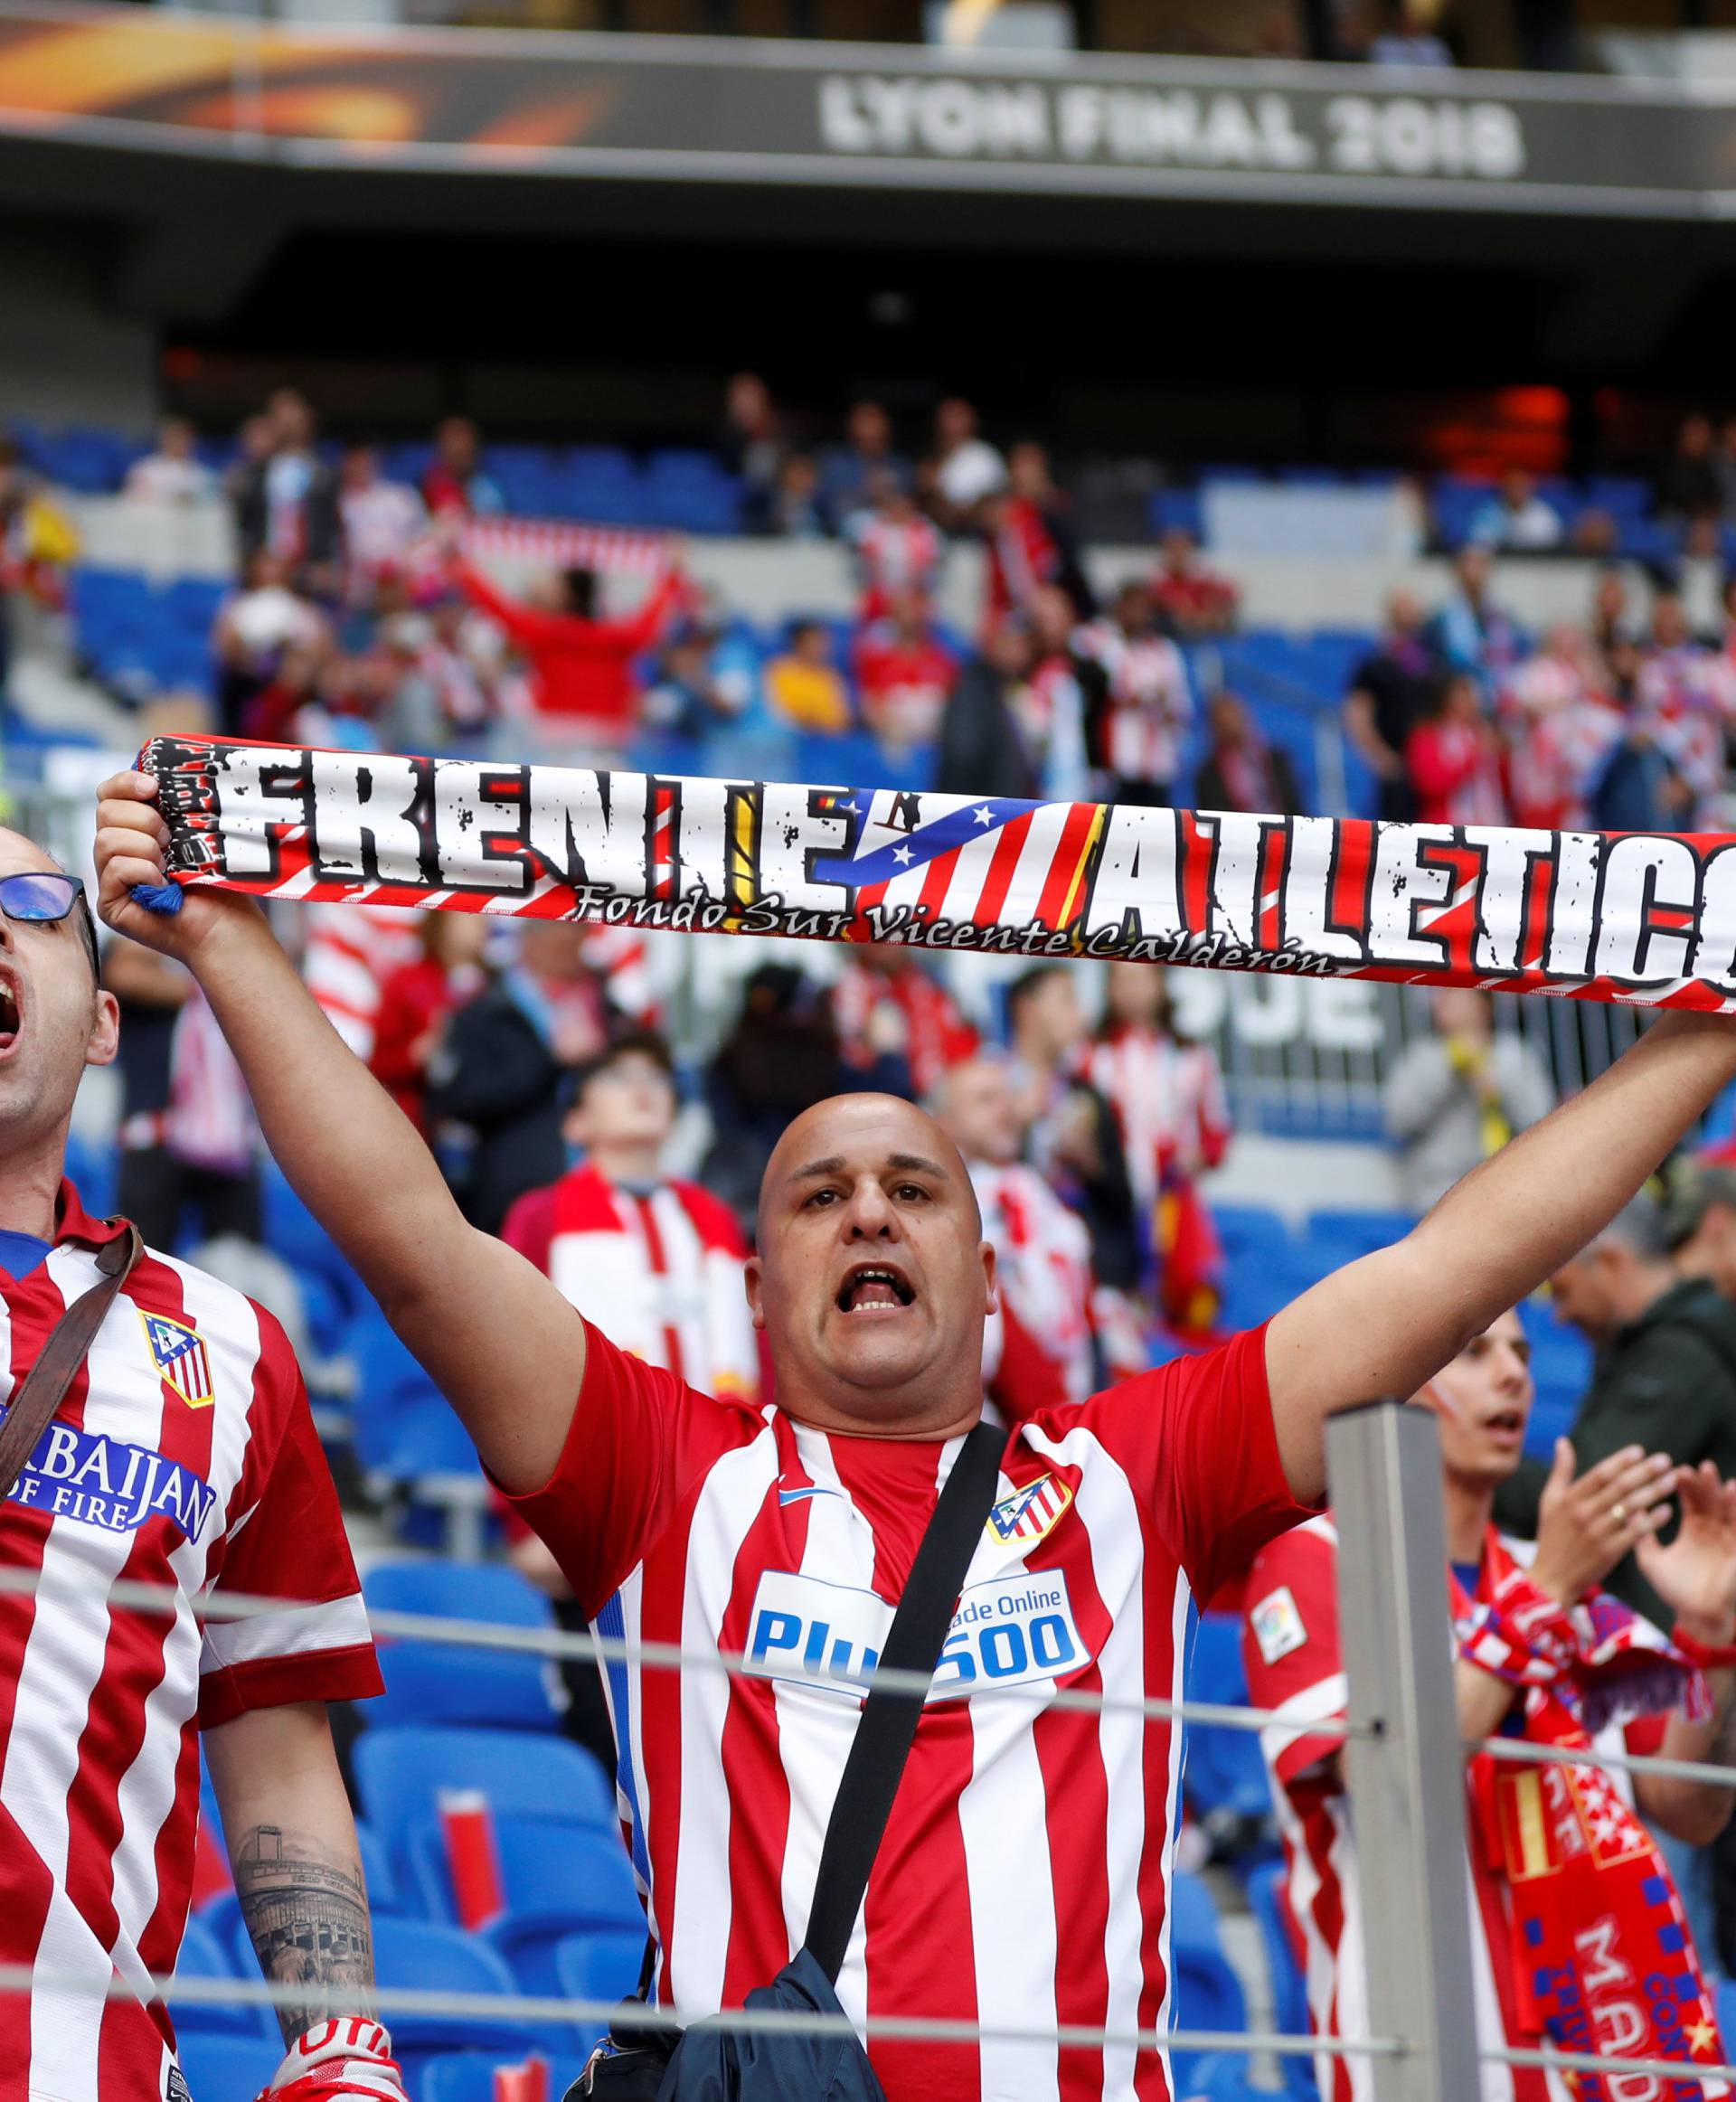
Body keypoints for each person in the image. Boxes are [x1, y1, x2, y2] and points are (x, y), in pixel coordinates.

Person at [96, 767, 1736, 2102]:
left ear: (993, 1274)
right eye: (820, 1193)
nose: (869, 1207)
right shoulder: (667, 1474)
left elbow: (1459, 1261)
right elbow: (412, 1240)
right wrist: (235, 953)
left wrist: (1713, 1025)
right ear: (756, 1284)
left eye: (912, 1188)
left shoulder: (1138, 1473)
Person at [0, 830, 395, 2098]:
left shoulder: (226, 1350)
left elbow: (276, 1742)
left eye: (35, 904)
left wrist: (338, 2042)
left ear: (106, 1024)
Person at [1244, 1307, 1736, 2102]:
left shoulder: (1559, 1580)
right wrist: (1542, 1598)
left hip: (1601, 2063)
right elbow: (1386, 1782)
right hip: (1417, 2061)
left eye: (1521, 1353)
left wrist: (1713, 1640)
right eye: (1473, 1351)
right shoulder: (1316, 1562)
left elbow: (1691, 1806)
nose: (1513, 1373)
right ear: (1391, 1379)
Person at [1495, 1193, 1736, 1627]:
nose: (1560, 1316)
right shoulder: (1660, 1348)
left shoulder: (1681, 1357)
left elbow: (1585, 1503)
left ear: (1609, 1263)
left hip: (1681, 1638)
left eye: (1563, 1291)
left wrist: (1455, 1458)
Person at [503, 1031, 760, 1403]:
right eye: (618, 1076)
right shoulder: (542, 1215)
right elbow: (514, 1342)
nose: (642, 1086)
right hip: (596, 1441)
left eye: (657, 1077)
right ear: (575, 1122)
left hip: (720, 1447)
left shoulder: (714, 1216)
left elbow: (746, 1342)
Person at [424, 919, 617, 1235]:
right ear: (529, 941)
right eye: (557, 941)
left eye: (576, 940)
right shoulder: (484, 1011)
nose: (568, 952)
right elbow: (457, 1098)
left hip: (601, 1196)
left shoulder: (607, 1008)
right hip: (512, 1196)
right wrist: (549, 1060)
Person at [929, 1054, 1100, 1407]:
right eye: (984, 1099)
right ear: (945, 1123)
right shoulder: (936, 1208)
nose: (1004, 1109)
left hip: (1072, 1410)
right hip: (992, 1429)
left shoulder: (1035, 1193)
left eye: (1006, 1096)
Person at [1087, 961, 1231, 1330]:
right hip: (1112, 1205)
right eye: (1117, 979)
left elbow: (1216, 1133)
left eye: (1137, 977)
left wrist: (1195, 1159)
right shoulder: (1091, 1055)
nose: (1127, 988)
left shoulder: (1193, 1056)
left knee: (1186, 1304)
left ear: (1161, 984)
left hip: (1174, 1203)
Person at [448, 539, 686, 748]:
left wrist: (458, 562)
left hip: (559, 741)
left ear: (567, 593)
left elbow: (494, 604)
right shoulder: (618, 637)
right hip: (603, 742)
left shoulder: (546, 633)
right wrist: (671, 574)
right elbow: (655, 614)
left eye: (555, 584)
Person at [1005, 964, 1141, 1300]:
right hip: (1012, 1275)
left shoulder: (1089, 1096)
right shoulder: (988, 1089)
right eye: (1066, 1000)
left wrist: (1091, 1163)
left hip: (1088, 1279)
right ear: (1027, 1009)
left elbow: (1124, 1200)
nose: (1079, 1014)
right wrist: (1016, 1123)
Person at [1383, 988, 1556, 1214]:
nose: (1440, 1000)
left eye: (1453, 993)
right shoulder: (1421, 1056)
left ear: (1484, 1004)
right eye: (1440, 993)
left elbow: (1543, 1124)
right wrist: (1450, 1069)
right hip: (1436, 1195)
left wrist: (1498, 1090)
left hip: (1508, 1189)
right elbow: (1398, 1122)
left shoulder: (1515, 1054)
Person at [367, 910, 487, 1137]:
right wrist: (414, 1054)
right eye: (469, 915)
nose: (481, 924)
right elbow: (378, 1061)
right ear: (443, 922)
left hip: (478, 1126)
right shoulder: (409, 981)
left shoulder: (491, 986)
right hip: (416, 1125)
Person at [1074, 580, 1194, 806]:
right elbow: (1118, 686)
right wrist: (1147, 695)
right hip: (1119, 762)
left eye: (1143, 608)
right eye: (1131, 606)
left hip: (1157, 765)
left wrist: (1156, 700)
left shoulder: (1164, 651)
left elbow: (1180, 704)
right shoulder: (1106, 641)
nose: (1137, 614)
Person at [232, 389, 342, 595]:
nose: (288, 422)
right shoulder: (253, 477)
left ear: (307, 419)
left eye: (293, 414)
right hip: (266, 574)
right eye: (280, 415)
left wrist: (325, 565)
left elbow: (333, 526)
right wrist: (254, 563)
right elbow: (244, 527)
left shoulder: (324, 475)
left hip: (311, 574)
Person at [1343, 589, 1436, 821]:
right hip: (1394, 763)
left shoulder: (1430, 662)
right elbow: (1358, 714)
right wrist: (1380, 756)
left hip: (1425, 765)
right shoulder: (1375, 664)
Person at [933, 619, 1039, 802]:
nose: (1019, 653)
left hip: (1006, 807)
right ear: (993, 644)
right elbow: (963, 754)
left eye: (1024, 645)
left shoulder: (1011, 689)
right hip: (980, 810)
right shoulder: (973, 687)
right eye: (1011, 643)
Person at [1404, 671, 1505, 826]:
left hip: (1486, 823)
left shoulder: (1480, 732)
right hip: (1445, 826)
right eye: (1465, 693)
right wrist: (1473, 758)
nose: (1473, 699)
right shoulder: (1427, 735)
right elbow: (1432, 785)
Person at [844, 471, 946, 625]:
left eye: (903, 503)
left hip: (914, 594)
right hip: (879, 594)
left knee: (927, 618)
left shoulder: (925, 529)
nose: (898, 508)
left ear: (911, 504)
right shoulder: (871, 527)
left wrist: (910, 593)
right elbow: (862, 567)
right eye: (894, 502)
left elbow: (932, 570)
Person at [1194, 692, 1305, 816]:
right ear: (1214, 728)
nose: (1231, 727)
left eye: (1234, 718)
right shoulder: (1208, 774)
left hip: (1282, 828)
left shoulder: (1276, 760)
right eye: (1223, 722)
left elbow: (1294, 804)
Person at [1146, 527, 1239, 639]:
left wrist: (1211, 612)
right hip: (1175, 632)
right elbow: (1169, 607)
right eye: (1173, 548)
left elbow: (1228, 596)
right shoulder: (1156, 577)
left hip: (1206, 626)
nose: (1178, 553)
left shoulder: (1203, 574)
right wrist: (1191, 616)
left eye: (1182, 548)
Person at [763, 618, 853, 734]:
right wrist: (808, 720)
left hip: (829, 738)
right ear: (799, 643)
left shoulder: (830, 676)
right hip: (793, 738)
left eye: (823, 642)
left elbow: (842, 717)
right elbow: (775, 713)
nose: (820, 647)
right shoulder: (779, 671)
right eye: (814, 641)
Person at [421, 415, 504, 518]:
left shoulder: (487, 486)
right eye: (453, 439)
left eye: (465, 452)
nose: (460, 446)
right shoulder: (423, 485)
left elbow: (495, 521)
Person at [123, 417, 213, 507]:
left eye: (184, 437)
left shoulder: (202, 474)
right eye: (174, 437)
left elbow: (211, 503)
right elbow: (133, 503)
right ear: (163, 439)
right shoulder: (145, 469)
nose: (179, 442)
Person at [1467, 468, 1563, 552]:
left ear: (1530, 486)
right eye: (1512, 485)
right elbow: (1479, 545)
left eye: (1520, 485)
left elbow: (1550, 549)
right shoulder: (1489, 513)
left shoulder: (1544, 515)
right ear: (1503, 486)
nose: (1516, 490)